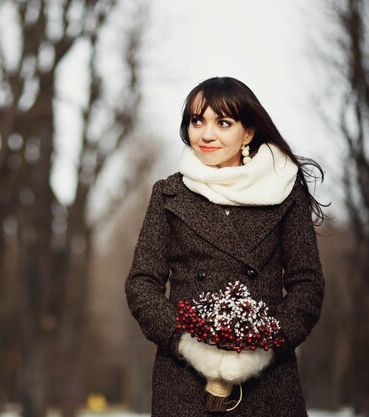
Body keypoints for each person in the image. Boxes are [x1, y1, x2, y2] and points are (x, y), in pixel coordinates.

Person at [125, 76, 325, 417]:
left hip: (268, 381)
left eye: (223, 122)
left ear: (247, 132)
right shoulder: (168, 194)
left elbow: (307, 285)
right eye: (197, 121)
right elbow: (142, 283)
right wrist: (187, 344)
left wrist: (267, 343)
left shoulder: (285, 194)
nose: (206, 134)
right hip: (185, 379)